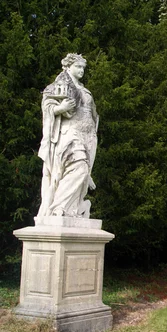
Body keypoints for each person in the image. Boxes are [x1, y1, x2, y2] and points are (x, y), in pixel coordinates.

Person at [37, 53, 98, 218]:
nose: (81, 70)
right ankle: (58, 208)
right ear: (68, 66)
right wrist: (60, 109)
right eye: (78, 67)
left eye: (83, 68)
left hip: (88, 137)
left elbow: (93, 116)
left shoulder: (85, 91)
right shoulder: (57, 86)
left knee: (83, 172)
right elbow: (47, 107)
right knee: (79, 168)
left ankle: (72, 209)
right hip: (69, 133)